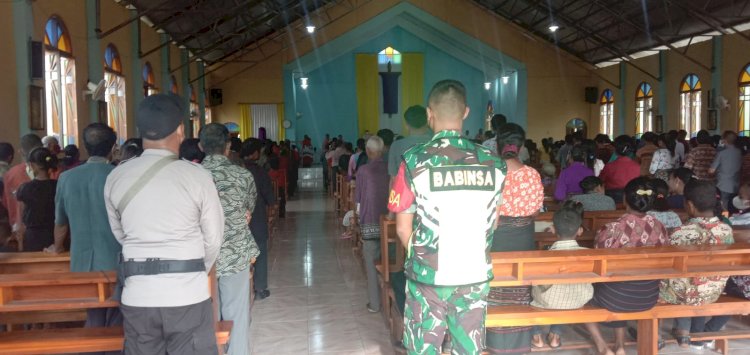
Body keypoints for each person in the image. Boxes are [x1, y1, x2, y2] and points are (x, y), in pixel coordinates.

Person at [387, 80, 506, 354]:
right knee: (468, 348)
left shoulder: (413, 161)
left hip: (429, 276)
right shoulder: (494, 163)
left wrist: (425, 260)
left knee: (424, 348)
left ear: (430, 114)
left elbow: (403, 228)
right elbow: (494, 222)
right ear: (465, 112)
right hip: (474, 274)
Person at [104, 94, 223, 354]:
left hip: (138, 296)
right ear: (181, 130)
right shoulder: (197, 177)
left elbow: (120, 234)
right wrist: (194, 271)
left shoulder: (116, 177)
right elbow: (214, 237)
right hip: (187, 295)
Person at [46, 123, 122, 342]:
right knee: (116, 315)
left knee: (94, 314)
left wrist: (57, 248)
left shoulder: (67, 178)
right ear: (113, 147)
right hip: (115, 258)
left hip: (82, 261)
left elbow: (60, 222)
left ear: (85, 146)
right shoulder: (118, 175)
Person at [585, 177, 668, 355]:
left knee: (583, 295)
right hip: (649, 295)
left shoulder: (612, 229)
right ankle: (620, 345)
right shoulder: (661, 227)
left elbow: (596, 260)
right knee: (618, 284)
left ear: (624, 199)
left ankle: (603, 346)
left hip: (614, 297)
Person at [201, 123, 260, 355]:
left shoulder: (191, 176)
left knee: (206, 314)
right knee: (236, 311)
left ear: (201, 146)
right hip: (234, 252)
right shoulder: (243, 175)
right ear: (227, 147)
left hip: (201, 257)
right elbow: (249, 208)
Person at [488, 123, 545, 354]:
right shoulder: (532, 175)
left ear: (498, 147)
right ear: (520, 148)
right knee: (520, 287)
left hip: (495, 239)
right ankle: (519, 344)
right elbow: (535, 211)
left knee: (493, 287)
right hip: (523, 239)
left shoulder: (489, 172)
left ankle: (491, 341)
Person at [659, 179, 734, 348]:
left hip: (680, 295)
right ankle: (685, 331)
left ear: (690, 205)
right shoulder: (726, 229)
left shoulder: (680, 232)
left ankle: (660, 334)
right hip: (712, 292)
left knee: (667, 279)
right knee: (692, 278)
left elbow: (665, 265)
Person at [530, 200, 593, 349]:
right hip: (579, 300)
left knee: (530, 291)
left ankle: (536, 336)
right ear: (580, 231)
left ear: (552, 229)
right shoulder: (589, 255)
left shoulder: (545, 256)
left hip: (549, 301)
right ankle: (555, 336)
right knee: (565, 292)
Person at [355, 136, 390, 313]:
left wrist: (356, 218)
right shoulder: (390, 169)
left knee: (371, 263)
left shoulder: (364, 170)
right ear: (382, 150)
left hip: (370, 222)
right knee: (392, 262)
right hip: (391, 224)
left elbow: (359, 200)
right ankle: (392, 302)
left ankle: (375, 304)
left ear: (368, 151)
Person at [241, 138, 275, 300]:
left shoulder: (236, 170)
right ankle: (260, 288)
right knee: (259, 251)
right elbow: (269, 196)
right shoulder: (259, 171)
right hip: (257, 217)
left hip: (237, 220)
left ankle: (242, 288)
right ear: (255, 153)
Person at [15, 147, 58, 252]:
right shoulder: (58, 186)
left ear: (32, 166)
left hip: (33, 236)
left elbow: (20, 217)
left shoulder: (25, 188)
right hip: (56, 233)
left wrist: (20, 242)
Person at [3, 134, 42, 236]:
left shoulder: (11, 174)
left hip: (18, 230)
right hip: (48, 229)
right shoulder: (55, 172)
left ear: (21, 152)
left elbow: (6, 203)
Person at [388, 105, 431, 177]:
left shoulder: (396, 146)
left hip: (405, 188)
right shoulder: (439, 143)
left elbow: (393, 179)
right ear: (427, 122)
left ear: (407, 125)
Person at [599, 135, 640, 202]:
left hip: (612, 200)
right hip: (631, 200)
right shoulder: (637, 167)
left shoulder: (609, 166)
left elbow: (601, 180)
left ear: (615, 150)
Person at [710, 131, 742, 210]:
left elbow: (711, 170)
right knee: (733, 207)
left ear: (724, 140)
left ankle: (725, 220)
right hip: (736, 185)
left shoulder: (722, 153)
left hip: (723, 185)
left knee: (724, 207)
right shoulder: (739, 152)